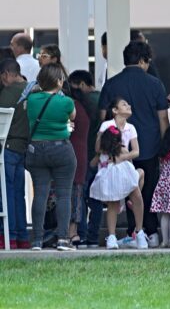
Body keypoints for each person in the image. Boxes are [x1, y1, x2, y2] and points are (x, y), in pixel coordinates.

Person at [99, 41, 169, 248]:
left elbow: (102, 117)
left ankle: (133, 231)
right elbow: (163, 118)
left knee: (126, 190)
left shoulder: (111, 84)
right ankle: (150, 231)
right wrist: (165, 147)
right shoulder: (155, 84)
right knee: (147, 191)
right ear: (142, 61)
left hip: (119, 149)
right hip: (149, 146)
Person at [26, 63, 77, 251]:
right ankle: (63, 239)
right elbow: (72, 117)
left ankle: (37, 241)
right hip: (61, 149)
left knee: (40, 194)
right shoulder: (66, 102)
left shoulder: (32, 99)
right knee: (64, 194)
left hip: (36, 150)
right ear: (59, 81)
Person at [89, 125, 147, 250]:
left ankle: (112, 236)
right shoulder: (123, 150)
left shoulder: (102, 153)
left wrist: (101, 159)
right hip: (126, 178)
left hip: (110, 181)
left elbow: (92, 164)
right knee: (137, 196)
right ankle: (139, 232)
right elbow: (130, 164)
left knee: (112, 205)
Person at [68, 70, 103, 248]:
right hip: (99, 156)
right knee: (96, 199)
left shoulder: (80, 102)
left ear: (81, 84)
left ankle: (80, 234)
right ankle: (94, 236)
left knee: (79, 195)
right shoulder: (101, 99)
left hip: (82, 154)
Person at [0, 59, 30, 249]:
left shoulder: (7, 92)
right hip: (24, 148)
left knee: (6, 194)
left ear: (5, 74)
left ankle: (8, 236)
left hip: (8, 147)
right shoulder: (32, 90)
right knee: (20, 194)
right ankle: (22, 237)